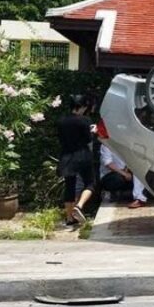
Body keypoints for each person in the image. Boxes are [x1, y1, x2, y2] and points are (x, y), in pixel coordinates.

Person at [56, 94, 95, 227]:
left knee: (69, 186)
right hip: (82, 155)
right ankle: (79, 205)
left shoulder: (61, 121)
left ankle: (69, 218)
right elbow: (88, 139)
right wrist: (93, 131)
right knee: (90, 183)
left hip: (66, 156)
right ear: (83, 107)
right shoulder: (84, 120)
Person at [99, 143, 147, 209]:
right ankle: (110, 193)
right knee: (118, 178)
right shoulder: (106, 144)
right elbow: (108, 163)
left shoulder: (125, 143)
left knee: (139, 173)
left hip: (125, 172)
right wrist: (124, 174)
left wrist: (127, 169)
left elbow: (130, 159)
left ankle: (139, 198)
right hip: (109, 176)